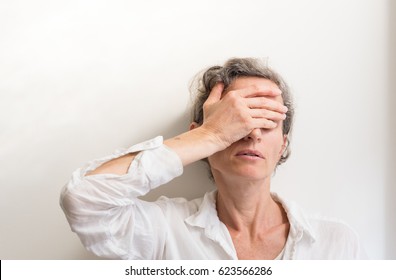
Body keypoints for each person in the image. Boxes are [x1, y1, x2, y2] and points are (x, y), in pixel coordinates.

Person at [60, 57, 366, 259]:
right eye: (238, 120)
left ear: (283, 143)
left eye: (266, 120)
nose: (252, 133)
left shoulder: (336, 243)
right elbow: (83, 200)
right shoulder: (164, 231)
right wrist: (211, 136)